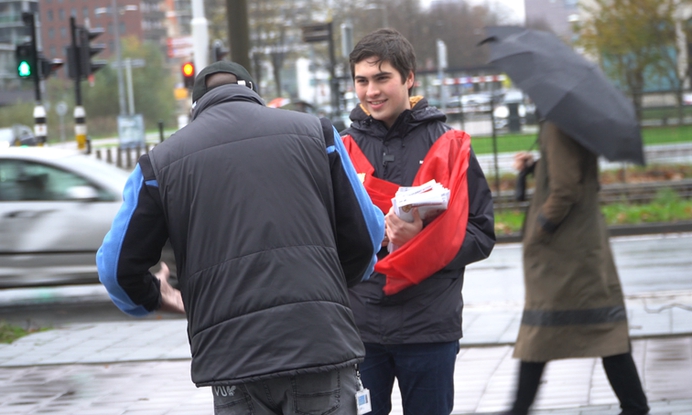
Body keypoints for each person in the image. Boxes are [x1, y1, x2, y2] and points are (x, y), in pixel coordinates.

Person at [96, 61, 385, 415]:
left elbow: (115, 268)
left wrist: (153, 298)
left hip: (233, 359)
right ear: (254, 94)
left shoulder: (160, 164)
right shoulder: (318, 134)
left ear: (195, 107)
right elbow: (367, 234)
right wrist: (335, 285)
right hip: (319, 343)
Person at [340, 28, 496, 415]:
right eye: (362, 80)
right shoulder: (341, 150)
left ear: (409, 78)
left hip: (428, 325)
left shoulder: (450, 145)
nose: (371, 91)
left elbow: (481, 232)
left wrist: (422, 239)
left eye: (382, 78)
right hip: (361, 328)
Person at [506, 119, 649, 415]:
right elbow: (575, 172)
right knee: (599, 326)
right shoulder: (571, 124)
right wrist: (536, 167)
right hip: (580, 245)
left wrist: (540, 229)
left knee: (544, 326)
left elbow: (566, 188)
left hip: (564, 251)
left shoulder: (558, 124)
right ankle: (634, 405)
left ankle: (519, 408)